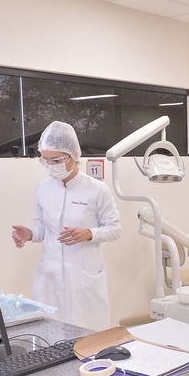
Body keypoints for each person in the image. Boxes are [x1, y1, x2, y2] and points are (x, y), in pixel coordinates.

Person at [12, 121, 121, 331]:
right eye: (46, 161)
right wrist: (29, 233)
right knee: (47, 331)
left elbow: (115, 228)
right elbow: (43, 229)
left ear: (75, 155)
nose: (51, 166)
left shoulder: (97, 189)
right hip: (49, 272)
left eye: (57, 160)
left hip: (83, 275)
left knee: (86, 332)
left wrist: (89, 233)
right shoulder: (43, 188)